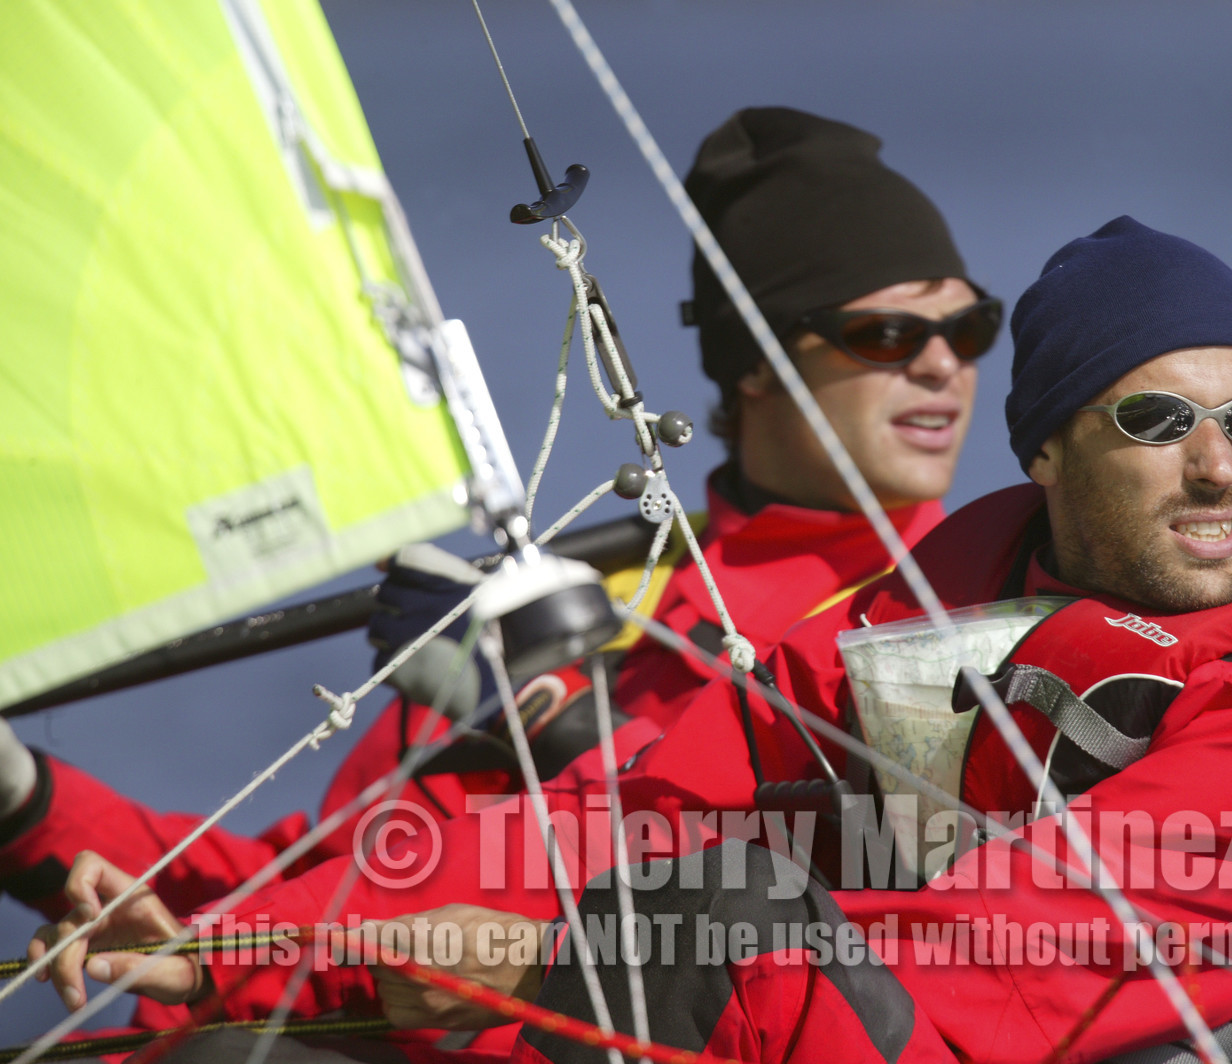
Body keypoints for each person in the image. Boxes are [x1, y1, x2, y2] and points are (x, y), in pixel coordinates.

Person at [34, 217, 1232, 1063]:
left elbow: (956, 988)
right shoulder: (937, 643)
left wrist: (537, 971)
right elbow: (600, 839)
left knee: (717, 905)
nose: (1221, 469)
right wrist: (240, 947)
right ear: (1044, 450)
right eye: (1158, 423)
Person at [3, 107, 993, 1054]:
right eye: (889, 336)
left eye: (970, 329)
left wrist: (567, 728)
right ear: (758, 361)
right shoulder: (596, 600)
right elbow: (319, 873)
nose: (945, 366)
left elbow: (856, 891)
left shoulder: (952, 612)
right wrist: (25, 800)